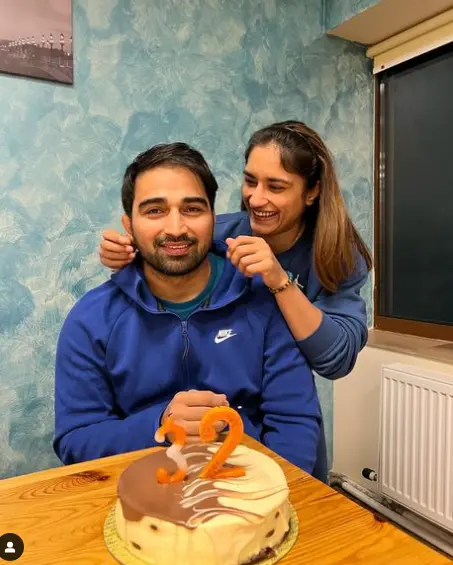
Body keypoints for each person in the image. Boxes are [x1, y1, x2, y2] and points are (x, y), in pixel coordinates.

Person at [53, 142, 323, 478]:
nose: (176, 228)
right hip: (139, 499)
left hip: (249, 497)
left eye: (193, 209)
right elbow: (76, 440)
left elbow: (295, 426)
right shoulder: (90, 320)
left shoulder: (265, 303)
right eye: (155, 211)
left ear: (214, 217)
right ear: (129, 224)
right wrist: (160, 423)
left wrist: (264, 490)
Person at [99, 121, 373, 382]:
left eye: (275, 187)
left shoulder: (338, 255)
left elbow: (337, 360)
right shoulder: (218, 233)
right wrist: (126, 253)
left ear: (312, 191)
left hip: (283, 393)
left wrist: (280, 282)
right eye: (251, 181)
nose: (255, 198)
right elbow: (160, 267)